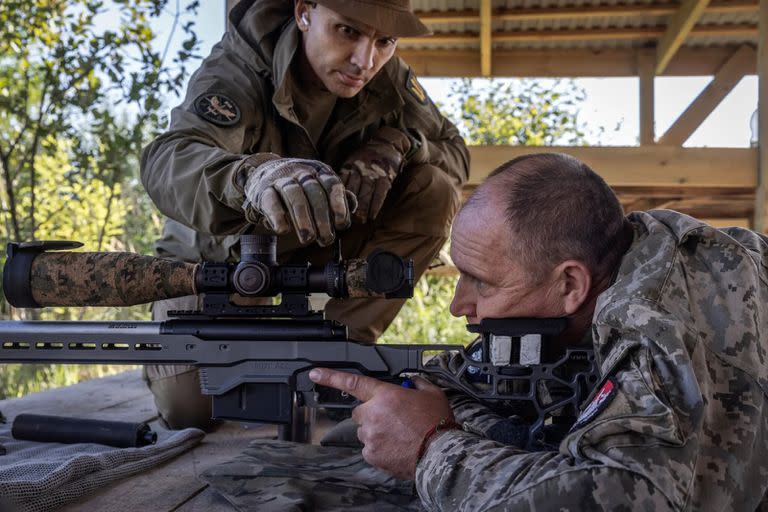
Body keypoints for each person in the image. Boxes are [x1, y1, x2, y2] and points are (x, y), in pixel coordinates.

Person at [300, 152, 768, 510]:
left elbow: (625, 496)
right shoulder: (624, 253)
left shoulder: (653, 320)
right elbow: (467, 379)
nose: (458, 305)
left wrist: (430, 450)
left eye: (482, 282)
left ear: (570, 284)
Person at [139, 0, 469, 429]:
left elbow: (456, 156)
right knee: (192, 411)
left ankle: (340, 352)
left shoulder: (388, 76)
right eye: (348, 31)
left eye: (385, 41)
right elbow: (168, 160)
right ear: (304, 13)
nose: (364, 61)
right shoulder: (241, 65)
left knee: (435, 189)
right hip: (215, 261)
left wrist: (399, 144)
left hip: (319, 251)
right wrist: (251, 177)